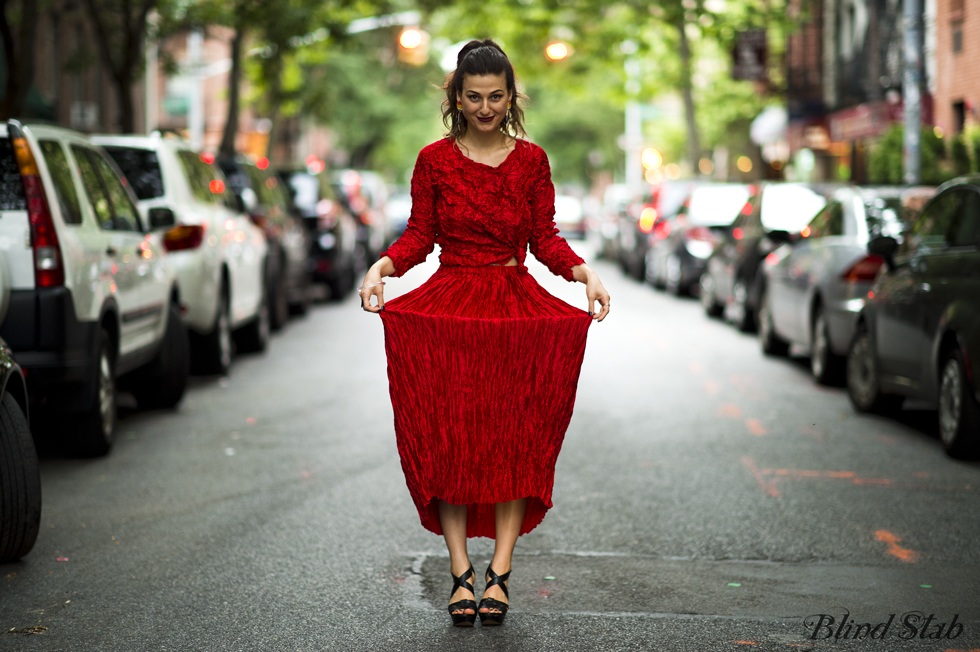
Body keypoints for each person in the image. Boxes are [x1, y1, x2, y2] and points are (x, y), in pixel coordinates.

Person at [359, 38, 610, 627]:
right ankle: (458, 573)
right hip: (450, 309)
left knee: (512, 438)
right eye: (474, 97)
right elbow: (420, 235)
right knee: (451, 439)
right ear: (456, 97)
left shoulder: (532, 161)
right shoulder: (433, 161)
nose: (486, 107)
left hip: (513, 311)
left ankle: (499, 572)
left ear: (511, 95)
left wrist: (584, 274)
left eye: (496, 96)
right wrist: (383, 266)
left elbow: (544, 238)